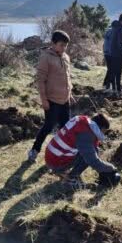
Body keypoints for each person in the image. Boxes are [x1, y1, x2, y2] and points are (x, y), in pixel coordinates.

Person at [28, 30, 73, 162]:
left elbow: (67, 77)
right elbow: (40, 80)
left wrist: (70, 93)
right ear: (53, 43)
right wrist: (44, 100)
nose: (63, 48)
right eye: (61, 45)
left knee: (65, 128)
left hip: (65, 100)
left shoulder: (66, 57)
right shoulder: (46, 57)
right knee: (48, 126)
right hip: (51, 100)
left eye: (65, 45)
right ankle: (34, 150)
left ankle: (63, 152)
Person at [44, 113, 118, 187]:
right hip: (56, 161)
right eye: (104, 131)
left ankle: (62, 171)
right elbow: (92, 160)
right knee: (90, 153)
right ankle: (70, 179)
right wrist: (111, 168)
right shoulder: (86, 134)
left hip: (52, 155)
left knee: (93, 149)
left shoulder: (81, 121)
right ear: (101, 128)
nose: (104, 134)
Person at [106, 14, 122, 96]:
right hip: (118, 55)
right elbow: (120, 43)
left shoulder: (114, 28)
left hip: (112, 54)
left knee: (113, 72)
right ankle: (118, 90)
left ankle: (114, 89)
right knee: (118, 72)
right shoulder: (120, 29)